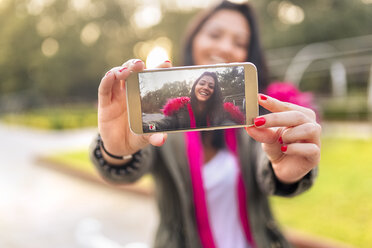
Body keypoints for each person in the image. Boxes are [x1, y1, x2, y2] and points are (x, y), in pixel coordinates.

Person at [90, 1, 321, 248]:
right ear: (192, 40)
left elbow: (268, 166)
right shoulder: (168, 118)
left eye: (239, 42)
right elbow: (129, 165)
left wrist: (285, 171)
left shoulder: (251, 117)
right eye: (215, 34)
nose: (225, 47)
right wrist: (115, 151)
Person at [143, 71, 245, 132]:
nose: (205, 87)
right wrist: (147, 127)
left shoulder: (222, 113)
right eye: (202, 83)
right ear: (195, 86)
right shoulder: (180, 112)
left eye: (211, 86)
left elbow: (227, 124)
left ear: (215, 92)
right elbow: (162, 124)